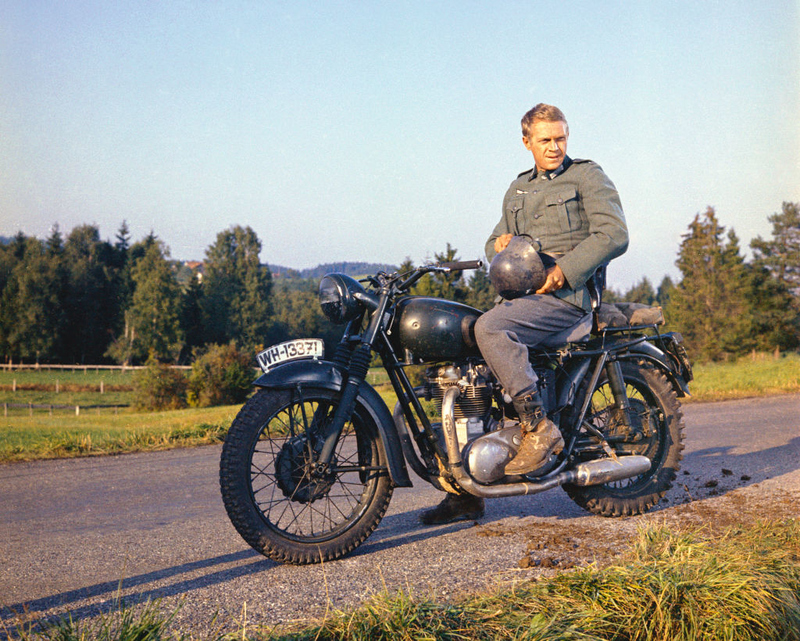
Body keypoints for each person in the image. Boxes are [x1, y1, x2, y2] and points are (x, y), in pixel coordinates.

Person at [420, 103, 629, 525]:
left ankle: (539, 427)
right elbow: (495, 240)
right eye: (545, 140)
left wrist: (564, 271)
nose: (555, 147)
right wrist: (497, 245)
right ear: (526, 143)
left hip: (567, 299)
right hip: (521, 300)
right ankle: (464, 491)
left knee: (491, 329)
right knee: (462, 361)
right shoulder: (517, 189)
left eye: (561, 138)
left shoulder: (586, 176)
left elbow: (614, 233)